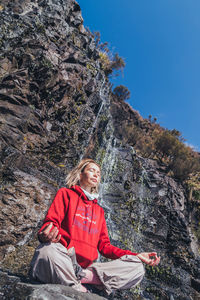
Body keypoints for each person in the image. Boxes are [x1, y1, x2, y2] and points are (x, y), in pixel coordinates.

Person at [30, 158, 160, 295]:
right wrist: (46, 232)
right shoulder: (65, 194)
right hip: (63, 259)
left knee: (137, 268)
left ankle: (80, 279)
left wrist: (136, 255)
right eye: (91, 170)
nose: (96, 174)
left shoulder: (99, 211)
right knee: (46, 251)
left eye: (98, 173)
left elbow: (105, 247)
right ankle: (79, 289)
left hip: (86, 269)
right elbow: (52, 222)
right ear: (80, 175)